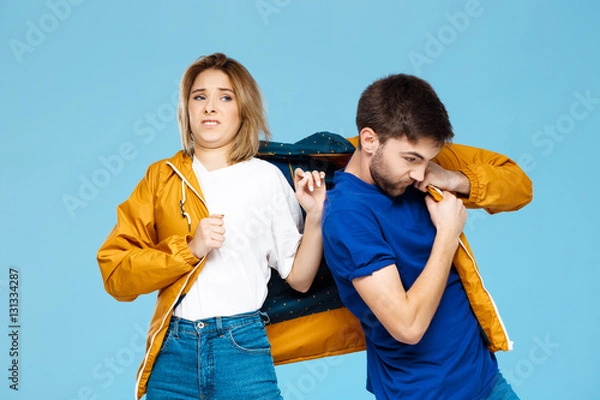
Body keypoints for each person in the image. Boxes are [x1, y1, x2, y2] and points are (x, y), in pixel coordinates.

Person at [97, 53, 326, 400]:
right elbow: (117, 274)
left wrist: (316, 218)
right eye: (199, 96)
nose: (210, 107)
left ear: (243, 109)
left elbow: (299, 276)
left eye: (225, 97)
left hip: (242, 347)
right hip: (174, 352)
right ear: (186, 109)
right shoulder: (163, 177)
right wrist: (190, 249)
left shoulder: (265, 179)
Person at [322, 73, 533, 399]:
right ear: (369, 140)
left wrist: (453, 178)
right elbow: (408, 326)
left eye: (428, 160)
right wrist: (448, 234)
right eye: (411, 159)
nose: (420, 172)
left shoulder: (421, 162)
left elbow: (520, 187)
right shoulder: (348, 216)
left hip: (487, 383)